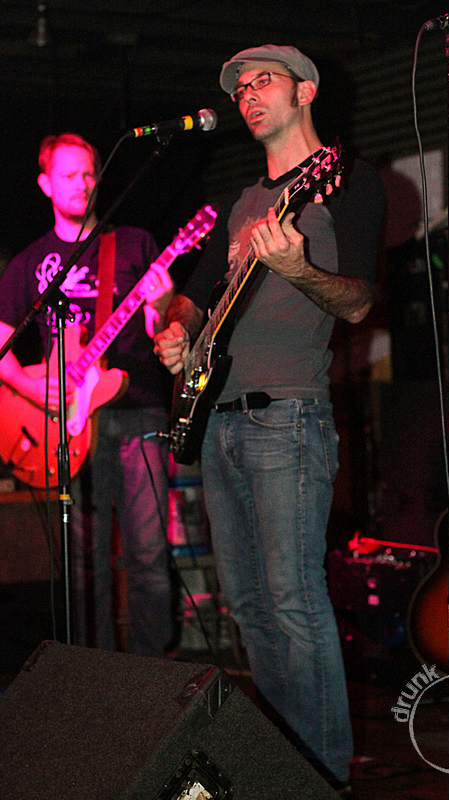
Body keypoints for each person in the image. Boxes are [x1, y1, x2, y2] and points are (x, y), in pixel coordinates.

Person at [155, 45, 384, 788]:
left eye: (264, 82)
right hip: (217, 419)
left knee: (294, 604)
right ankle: (279, 768)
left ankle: (323, 776)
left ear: (305, 91)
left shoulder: (344, 181)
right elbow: (192, 292)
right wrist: (177, 327)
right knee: (250, 610)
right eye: (241, 88)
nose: (248, 95)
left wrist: (298, 269)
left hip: (287, 417)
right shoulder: (244, 201)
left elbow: (358, 302)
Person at [0, 133, 174, 656]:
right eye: (70, 175)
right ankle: (89, 674)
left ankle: (151, 675)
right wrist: (30, 385)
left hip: (136, 410)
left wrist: (162, 302)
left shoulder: (134, 244)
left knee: (149, 555)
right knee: (82, 563)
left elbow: (162, 328)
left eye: (89, 173)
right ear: (45, 184)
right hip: (66, 427)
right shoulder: (30, 262)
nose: (82, 183)